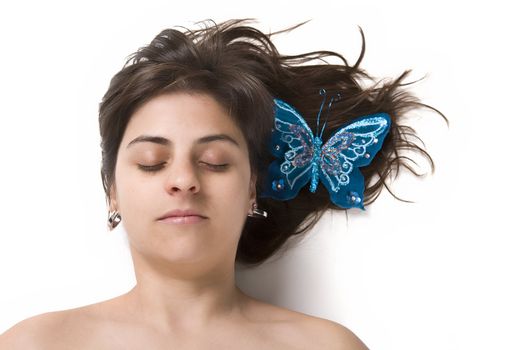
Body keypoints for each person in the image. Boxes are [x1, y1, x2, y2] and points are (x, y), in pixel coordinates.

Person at [0, 19, 445, 349]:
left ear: (252, 187)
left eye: (213, 161)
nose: (183, 180)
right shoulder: (34, 344)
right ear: (111, 190)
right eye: (152, 162)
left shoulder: (325, 347)